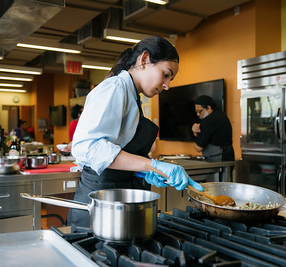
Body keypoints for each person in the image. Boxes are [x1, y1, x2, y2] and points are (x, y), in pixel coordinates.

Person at [70, 36, 203, 228]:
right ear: (144, 60)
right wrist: (151, 165)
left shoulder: (132, 95)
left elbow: (116, 147)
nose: (167, 85)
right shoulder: (116, 87)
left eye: (170, 79)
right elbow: (89, 147)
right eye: (166, 74)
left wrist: (141, 171)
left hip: (118, 197)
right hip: (100, 202)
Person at [191, 95, 234, 162]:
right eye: (196, 112)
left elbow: (198, 148)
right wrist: (195, 131)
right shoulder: (220, 114)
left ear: (208, 108)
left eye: (200, 111)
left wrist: (195, 131)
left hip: (218, 160)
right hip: (228, 157)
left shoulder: (208, 120)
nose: (198, 114)